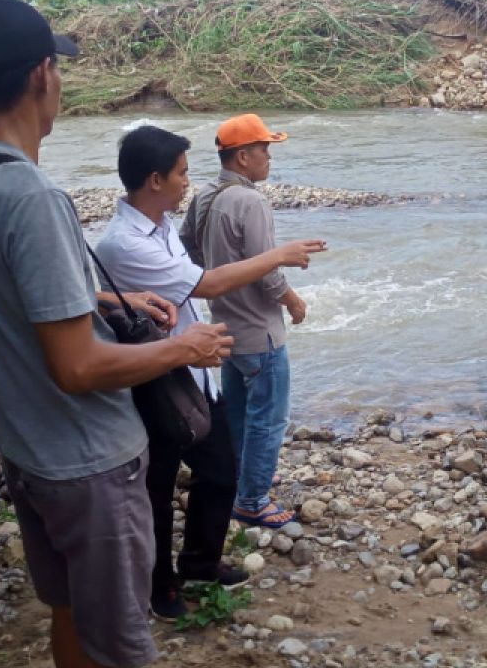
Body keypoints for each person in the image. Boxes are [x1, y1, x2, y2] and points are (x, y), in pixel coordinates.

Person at [0, 0, 233, 668]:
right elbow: (78, 368)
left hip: (27, 447)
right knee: (122, 643)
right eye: (57, 68)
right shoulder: (33, 197)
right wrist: (187, 345)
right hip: (89, 461)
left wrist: (90, 295)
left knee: (69, 611)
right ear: (42, 75)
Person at [94, 125, 325, 619]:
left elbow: (192, 274)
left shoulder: (166, 224)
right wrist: (280, 258)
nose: (187, 180)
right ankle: (161, 588)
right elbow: (205, 282)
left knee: (220, 468)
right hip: (157, 379)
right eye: (180, 172)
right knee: (157, 487)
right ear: (154, 180)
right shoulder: (125, 243)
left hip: (196, 368)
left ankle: (200, 562)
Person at [180, 114, 316, 529]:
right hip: (260, 332)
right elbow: (268, 270)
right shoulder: (251, 201)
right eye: (264, 149)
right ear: (242, 157)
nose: (268, 157)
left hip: (225, 328)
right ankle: (253, 499)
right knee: (269, 418)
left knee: (239, 414)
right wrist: (292, 301)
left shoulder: (204, 194)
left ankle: (239, 482)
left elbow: (186, 250)